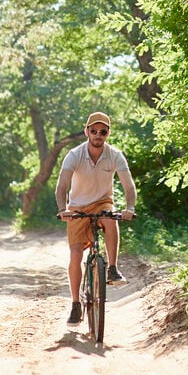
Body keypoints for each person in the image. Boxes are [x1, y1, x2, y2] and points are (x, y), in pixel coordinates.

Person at [56, 111, 137, 326]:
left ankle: (112, 268)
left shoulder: (115, 155)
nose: (98, 135)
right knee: (75, 255)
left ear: (108, 133)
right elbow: (62, 185)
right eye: (93, 131)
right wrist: (63, 208)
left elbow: (129, 186)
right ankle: (75, 304)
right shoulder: (74, 154)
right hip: (77, 208)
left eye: (103, 131)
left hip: (103, 202)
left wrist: (130, 207)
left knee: (111, 218)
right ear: (87, 132)